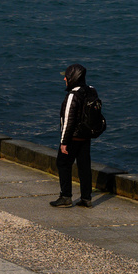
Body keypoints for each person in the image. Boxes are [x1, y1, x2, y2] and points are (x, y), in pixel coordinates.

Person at [52, 64, 106, 207]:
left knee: (63, 164)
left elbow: (68, 121)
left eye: (66, 76)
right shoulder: (91, 90)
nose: (64, 79)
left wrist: (64, 142)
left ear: (73, 77)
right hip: (86, 136)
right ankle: (86, 198)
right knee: (84, 167)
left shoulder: (72, 96)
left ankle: (65, 197)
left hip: (73, 138)